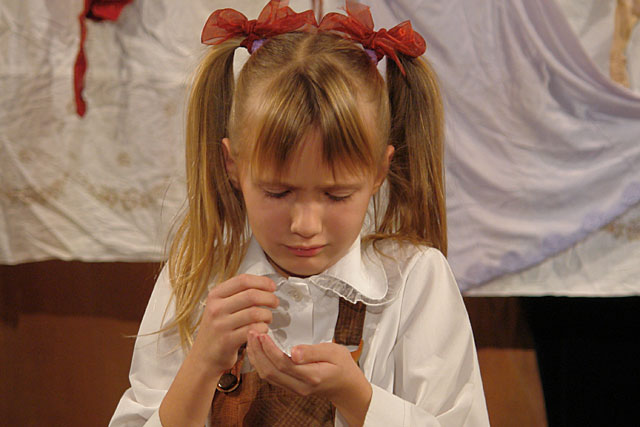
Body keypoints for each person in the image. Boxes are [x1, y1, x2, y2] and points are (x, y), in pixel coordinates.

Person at [110, 1, 489, 425]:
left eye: (337, 195)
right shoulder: (195, 274)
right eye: (277, 192)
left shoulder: (414, 281)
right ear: (233, 166)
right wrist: (201, 365)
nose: (305, 226)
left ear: (380, 171)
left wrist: (357, 397)